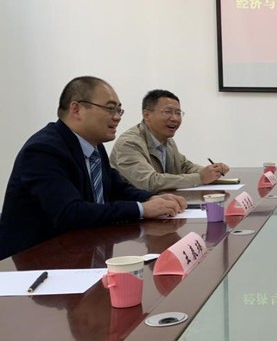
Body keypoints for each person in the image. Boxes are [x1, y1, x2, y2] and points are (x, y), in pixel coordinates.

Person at [0, 77, 186, 260]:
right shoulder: (44, 150)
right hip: (38, 261)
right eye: (110, 109)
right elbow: (71, 213)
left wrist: (151, 199)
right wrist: (141, 209)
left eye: (119, 110)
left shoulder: (94, 146)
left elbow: (116, 187)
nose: (117, 117)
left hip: (81, 249)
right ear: (76, 109)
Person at [110, 89, 230, 191]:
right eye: (167, 112)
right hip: (134, 207)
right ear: (146, 115)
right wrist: (200, 178)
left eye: (178, 113)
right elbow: (149, 182)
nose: (175, 119)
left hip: (162, 203)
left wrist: (211, 171)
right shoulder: (129, 143)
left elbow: (184, 166)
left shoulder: (166, 140)